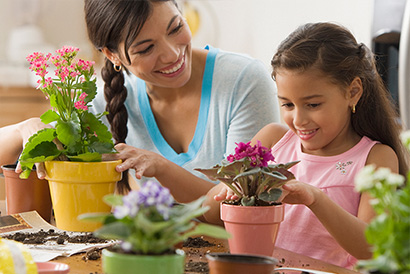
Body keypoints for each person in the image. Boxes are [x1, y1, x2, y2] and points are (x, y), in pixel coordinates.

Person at [0, 0, 280, 203]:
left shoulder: (243, 81)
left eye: (175, 28)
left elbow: (243, 201)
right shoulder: (106, 100)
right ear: (113, 55)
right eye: (146, 48)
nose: (172, 54)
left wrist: (160, 166)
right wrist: (27, 128)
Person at [203, 22, 409, 269]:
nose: (298, 120)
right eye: (288, 105)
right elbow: (208, 213)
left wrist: (315, 198)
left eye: (312, 105)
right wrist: (228, 191)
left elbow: (372, 247)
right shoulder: (272, 140)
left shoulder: (376, 157)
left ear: (353, 92)